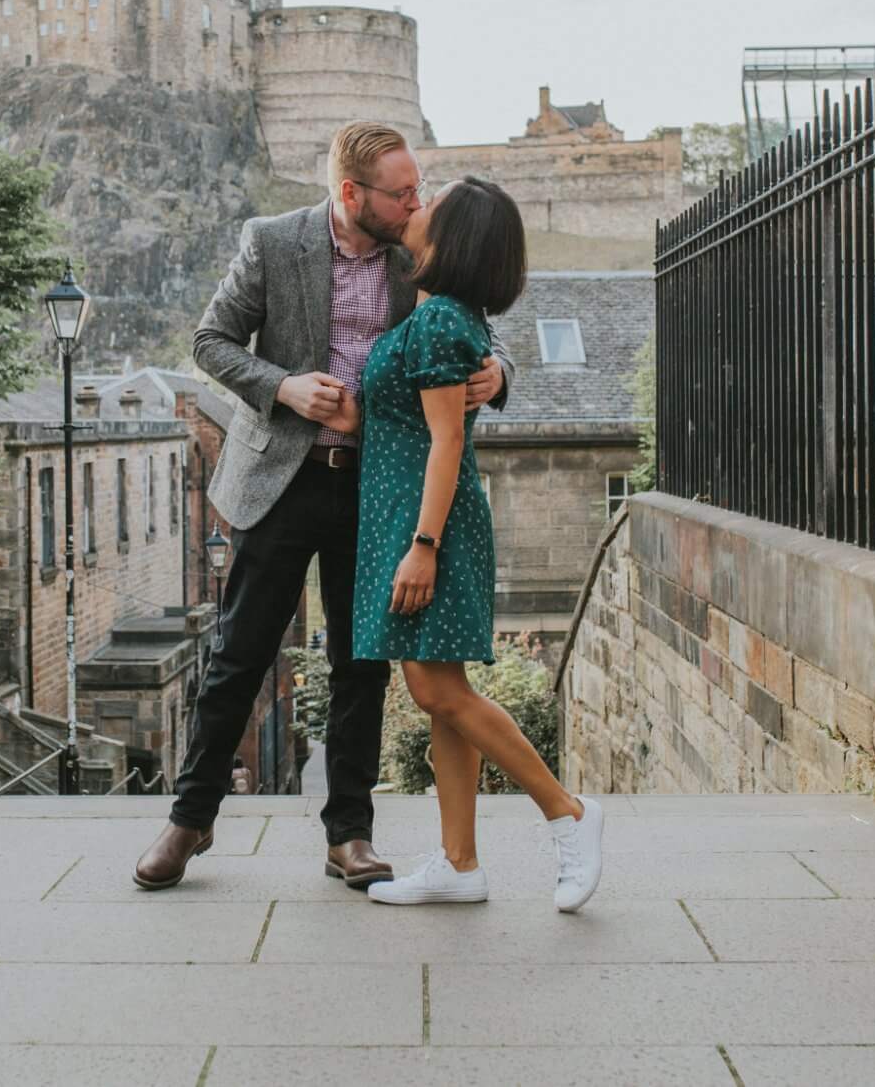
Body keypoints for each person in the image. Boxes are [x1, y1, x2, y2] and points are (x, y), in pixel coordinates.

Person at [134, 122, 514, 892]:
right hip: (283, 474)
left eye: (418, 189)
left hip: (378, 484)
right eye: (400, 192)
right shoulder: (273, 241)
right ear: (351, 193)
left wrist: (499, 374)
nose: (416, 203)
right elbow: (209, 341)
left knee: (360, 662)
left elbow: (483, 328)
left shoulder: (421, 250)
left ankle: (350, 833)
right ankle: (190, 816)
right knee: (240, 650)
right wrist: (284, 386)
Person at [323, 176, 605, 911]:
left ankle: (568, 813)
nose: (417, 207)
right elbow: (409, 422)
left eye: (432, 204)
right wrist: (349, 412)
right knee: (442, 695)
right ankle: (459, 860)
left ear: (455, 239)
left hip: (429, 526)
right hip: (406, 520)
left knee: (435, 688)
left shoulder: (445, 320)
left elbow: (449, 439)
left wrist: (423, 544)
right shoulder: (435, 314)